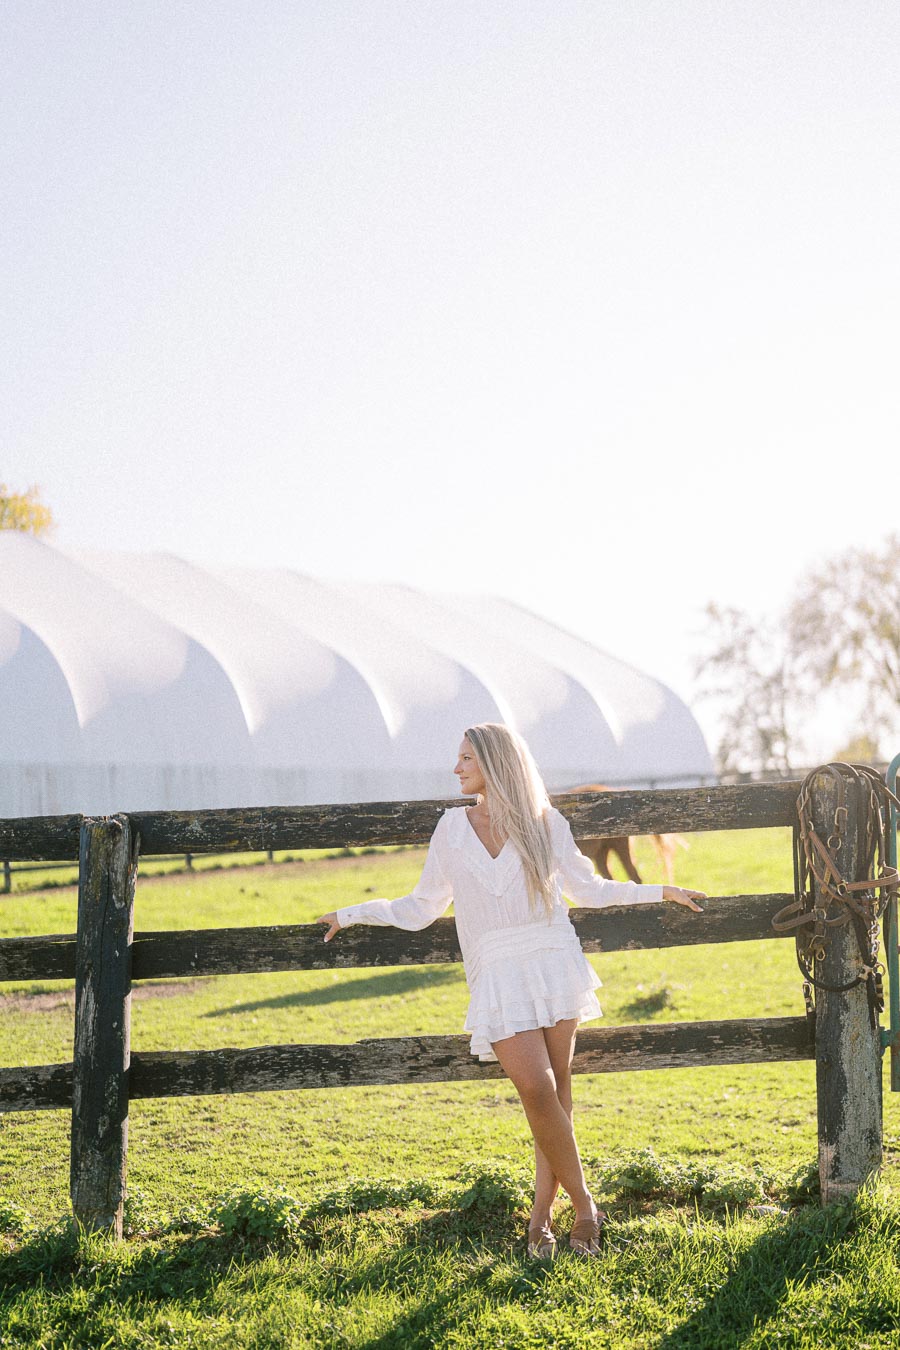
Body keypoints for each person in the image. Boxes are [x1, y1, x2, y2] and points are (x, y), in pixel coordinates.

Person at [318, 723, 705, 1259]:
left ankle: (541, 1219)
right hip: (497, 973)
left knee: (557, 1093)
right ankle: (587, 1208)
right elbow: (421, 907)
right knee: (538, 1090)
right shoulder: (451, 830)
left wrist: (662, 890)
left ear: (497, 762)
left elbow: (588, 890)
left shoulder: (546, 823)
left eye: (466, 759)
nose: (456, 769)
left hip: (553, 959)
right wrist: (351, 913)